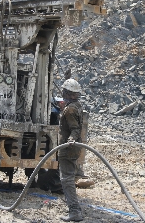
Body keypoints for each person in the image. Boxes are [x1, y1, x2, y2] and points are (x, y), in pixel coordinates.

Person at [58, 78, 84, 222]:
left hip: (68, 149)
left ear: (68, 93)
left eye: (64, 90)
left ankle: (74, 212)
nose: (62, 92)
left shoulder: (71, 109)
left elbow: (75, 129)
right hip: (73, 148)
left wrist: (71, 139)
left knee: (66, 179)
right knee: (68, 178)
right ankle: (74, 210)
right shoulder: (76, 105)